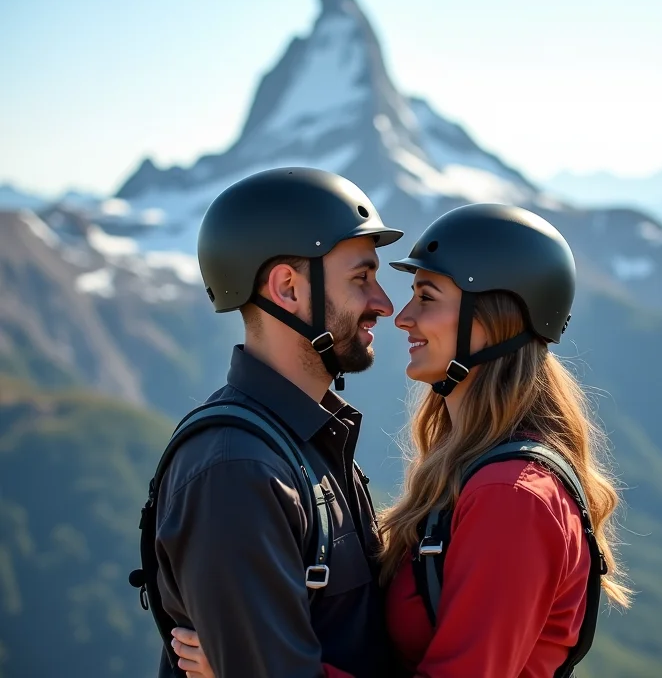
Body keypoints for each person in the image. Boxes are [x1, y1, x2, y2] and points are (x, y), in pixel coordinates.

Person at [170, 203, 631, 677]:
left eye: (426, 297)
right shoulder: (466, 473)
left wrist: (252, 667)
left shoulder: (511, 495)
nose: (400, 315)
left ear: (493, 319)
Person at [150, 166, 403, 678]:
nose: (384, 303)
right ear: (288, 288)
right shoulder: (236, 471)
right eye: (361, 278)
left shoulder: (307, 442)